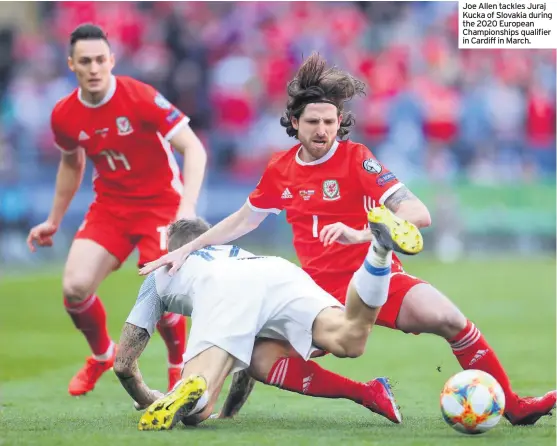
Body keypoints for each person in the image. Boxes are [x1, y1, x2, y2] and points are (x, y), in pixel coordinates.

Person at [140, 53, 555, 425]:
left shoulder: (357, 159)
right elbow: (243, 220)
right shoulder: (280, 170)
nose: (323, 130)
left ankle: (515, 407)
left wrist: (364, 232)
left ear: (340, 121)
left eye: (330, 121)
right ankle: (366, 393)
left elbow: (417, 213)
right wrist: (189, 248)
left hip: (375, 280)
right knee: (261, 358)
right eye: (313, 122)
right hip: (313, 292)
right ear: (294, 123)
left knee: (449, 319)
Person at [25, 24, 208, 396]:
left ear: (111, 61)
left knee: (165, 289)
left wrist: (185, 207)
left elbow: (194, 148)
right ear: (71, 65)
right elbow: (72, 166)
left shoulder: (139, 96)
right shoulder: (64, 114)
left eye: (99, 60)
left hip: (161, 205)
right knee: (74, 287)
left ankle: (177, 369)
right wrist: (53, 220)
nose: (93, 68)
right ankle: (102, 355)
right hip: (111, 206)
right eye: (85, 62)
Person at [115, 213, 423, 430]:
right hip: (276, 272)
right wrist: (230, 413)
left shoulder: (164, 272)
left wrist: (146, 397)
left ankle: (196, 386)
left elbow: (124, 364)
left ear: (175, 250)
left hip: (223, 288)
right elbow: (246, 346)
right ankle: (379, 251)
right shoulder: (235, 253)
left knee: (198, 409)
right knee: (349, 337)